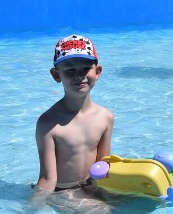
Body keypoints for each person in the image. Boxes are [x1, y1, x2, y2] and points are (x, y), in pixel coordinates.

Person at [33, 34, 113, 200]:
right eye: (70, 70)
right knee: (99, 213)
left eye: (85, 69)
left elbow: (103, 166)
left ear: (97, 72)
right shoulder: (48, 123)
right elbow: (48, 179)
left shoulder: (105, 117)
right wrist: (34, 210)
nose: (79, 75)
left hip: (91, 187)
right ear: (56, 75)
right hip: (62, 193)